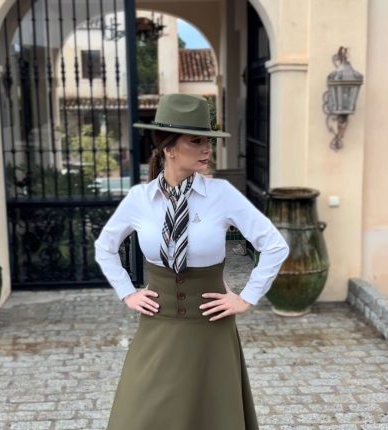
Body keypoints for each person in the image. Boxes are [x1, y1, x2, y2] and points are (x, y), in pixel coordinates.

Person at [94, 93, 289, 430]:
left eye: (208, 141)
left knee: (212, 416)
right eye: (196, 141)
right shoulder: (140, 199)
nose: (206, 149)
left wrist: (246, 298)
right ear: (169, 148)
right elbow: (105, 247)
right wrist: (127, 292)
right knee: (138, 415)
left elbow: (274, 245)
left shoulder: (221, 194)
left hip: (211, 329)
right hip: (158, 326)